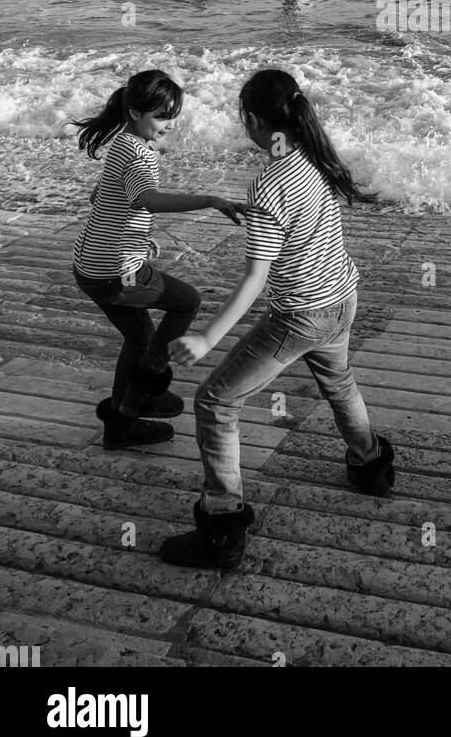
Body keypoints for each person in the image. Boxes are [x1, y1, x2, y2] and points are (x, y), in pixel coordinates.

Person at [160, 68, 393, 572]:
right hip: (342, 298)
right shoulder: (314, 158)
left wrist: (206, 337)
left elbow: (254, 281)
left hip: (300, 315)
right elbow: (304, 229)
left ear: (254, 121)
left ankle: (222, 530)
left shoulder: (269, 183)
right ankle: (370, 466)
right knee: (339, 381)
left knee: (215, 401)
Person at [72, 69, 245, 449]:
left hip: (88, 266)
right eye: (162, 116)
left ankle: (121, 427)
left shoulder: (121, 143)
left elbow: (101, 196)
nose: (169, 125)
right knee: (187, 303)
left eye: (173, 116)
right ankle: (146, 391)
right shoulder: (138, 153)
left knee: (138, 339)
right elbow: (146, 199)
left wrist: (135, 233)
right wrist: (211, 200)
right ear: (135, 112)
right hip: (116, 273)